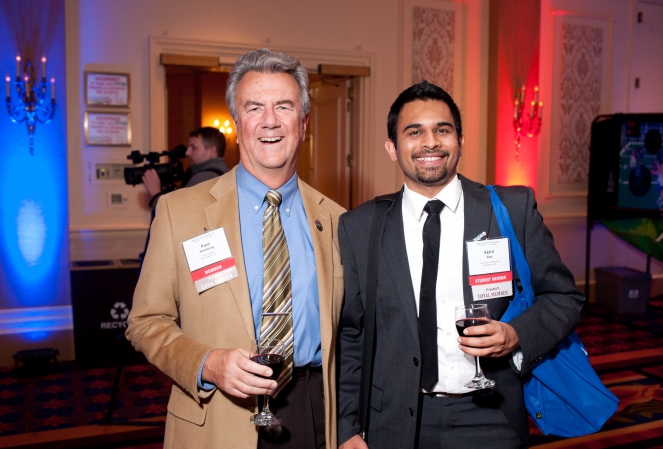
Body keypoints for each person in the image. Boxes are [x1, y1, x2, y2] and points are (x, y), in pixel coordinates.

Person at [337, 80, 584, 449]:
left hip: (489, 415)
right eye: (414, 132)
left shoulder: (511, 210)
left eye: (443, 130)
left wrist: (515, 335)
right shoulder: (360, 226)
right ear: (392, 148)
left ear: (460, 141)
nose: (431, 142)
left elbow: (563, 298)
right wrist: (346, 426)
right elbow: (351, 335)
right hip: (392, 420)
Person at [126, 49, 345, 449]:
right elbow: (145, 321)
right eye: (254, 107)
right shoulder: (180, 212)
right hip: (217, 418)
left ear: (304, 122)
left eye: (284, 106)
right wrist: (207, 364)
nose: (270, 121)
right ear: (236, 124)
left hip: (313, 413)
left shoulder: (336, 220)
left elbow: (350, 336)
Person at [142, 126, 230, 208]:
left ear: (212, 152)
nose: (187, 152)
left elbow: (177, 214)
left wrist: (155, 193)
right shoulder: (227, 174)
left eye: (193, 147)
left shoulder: (203, 179)